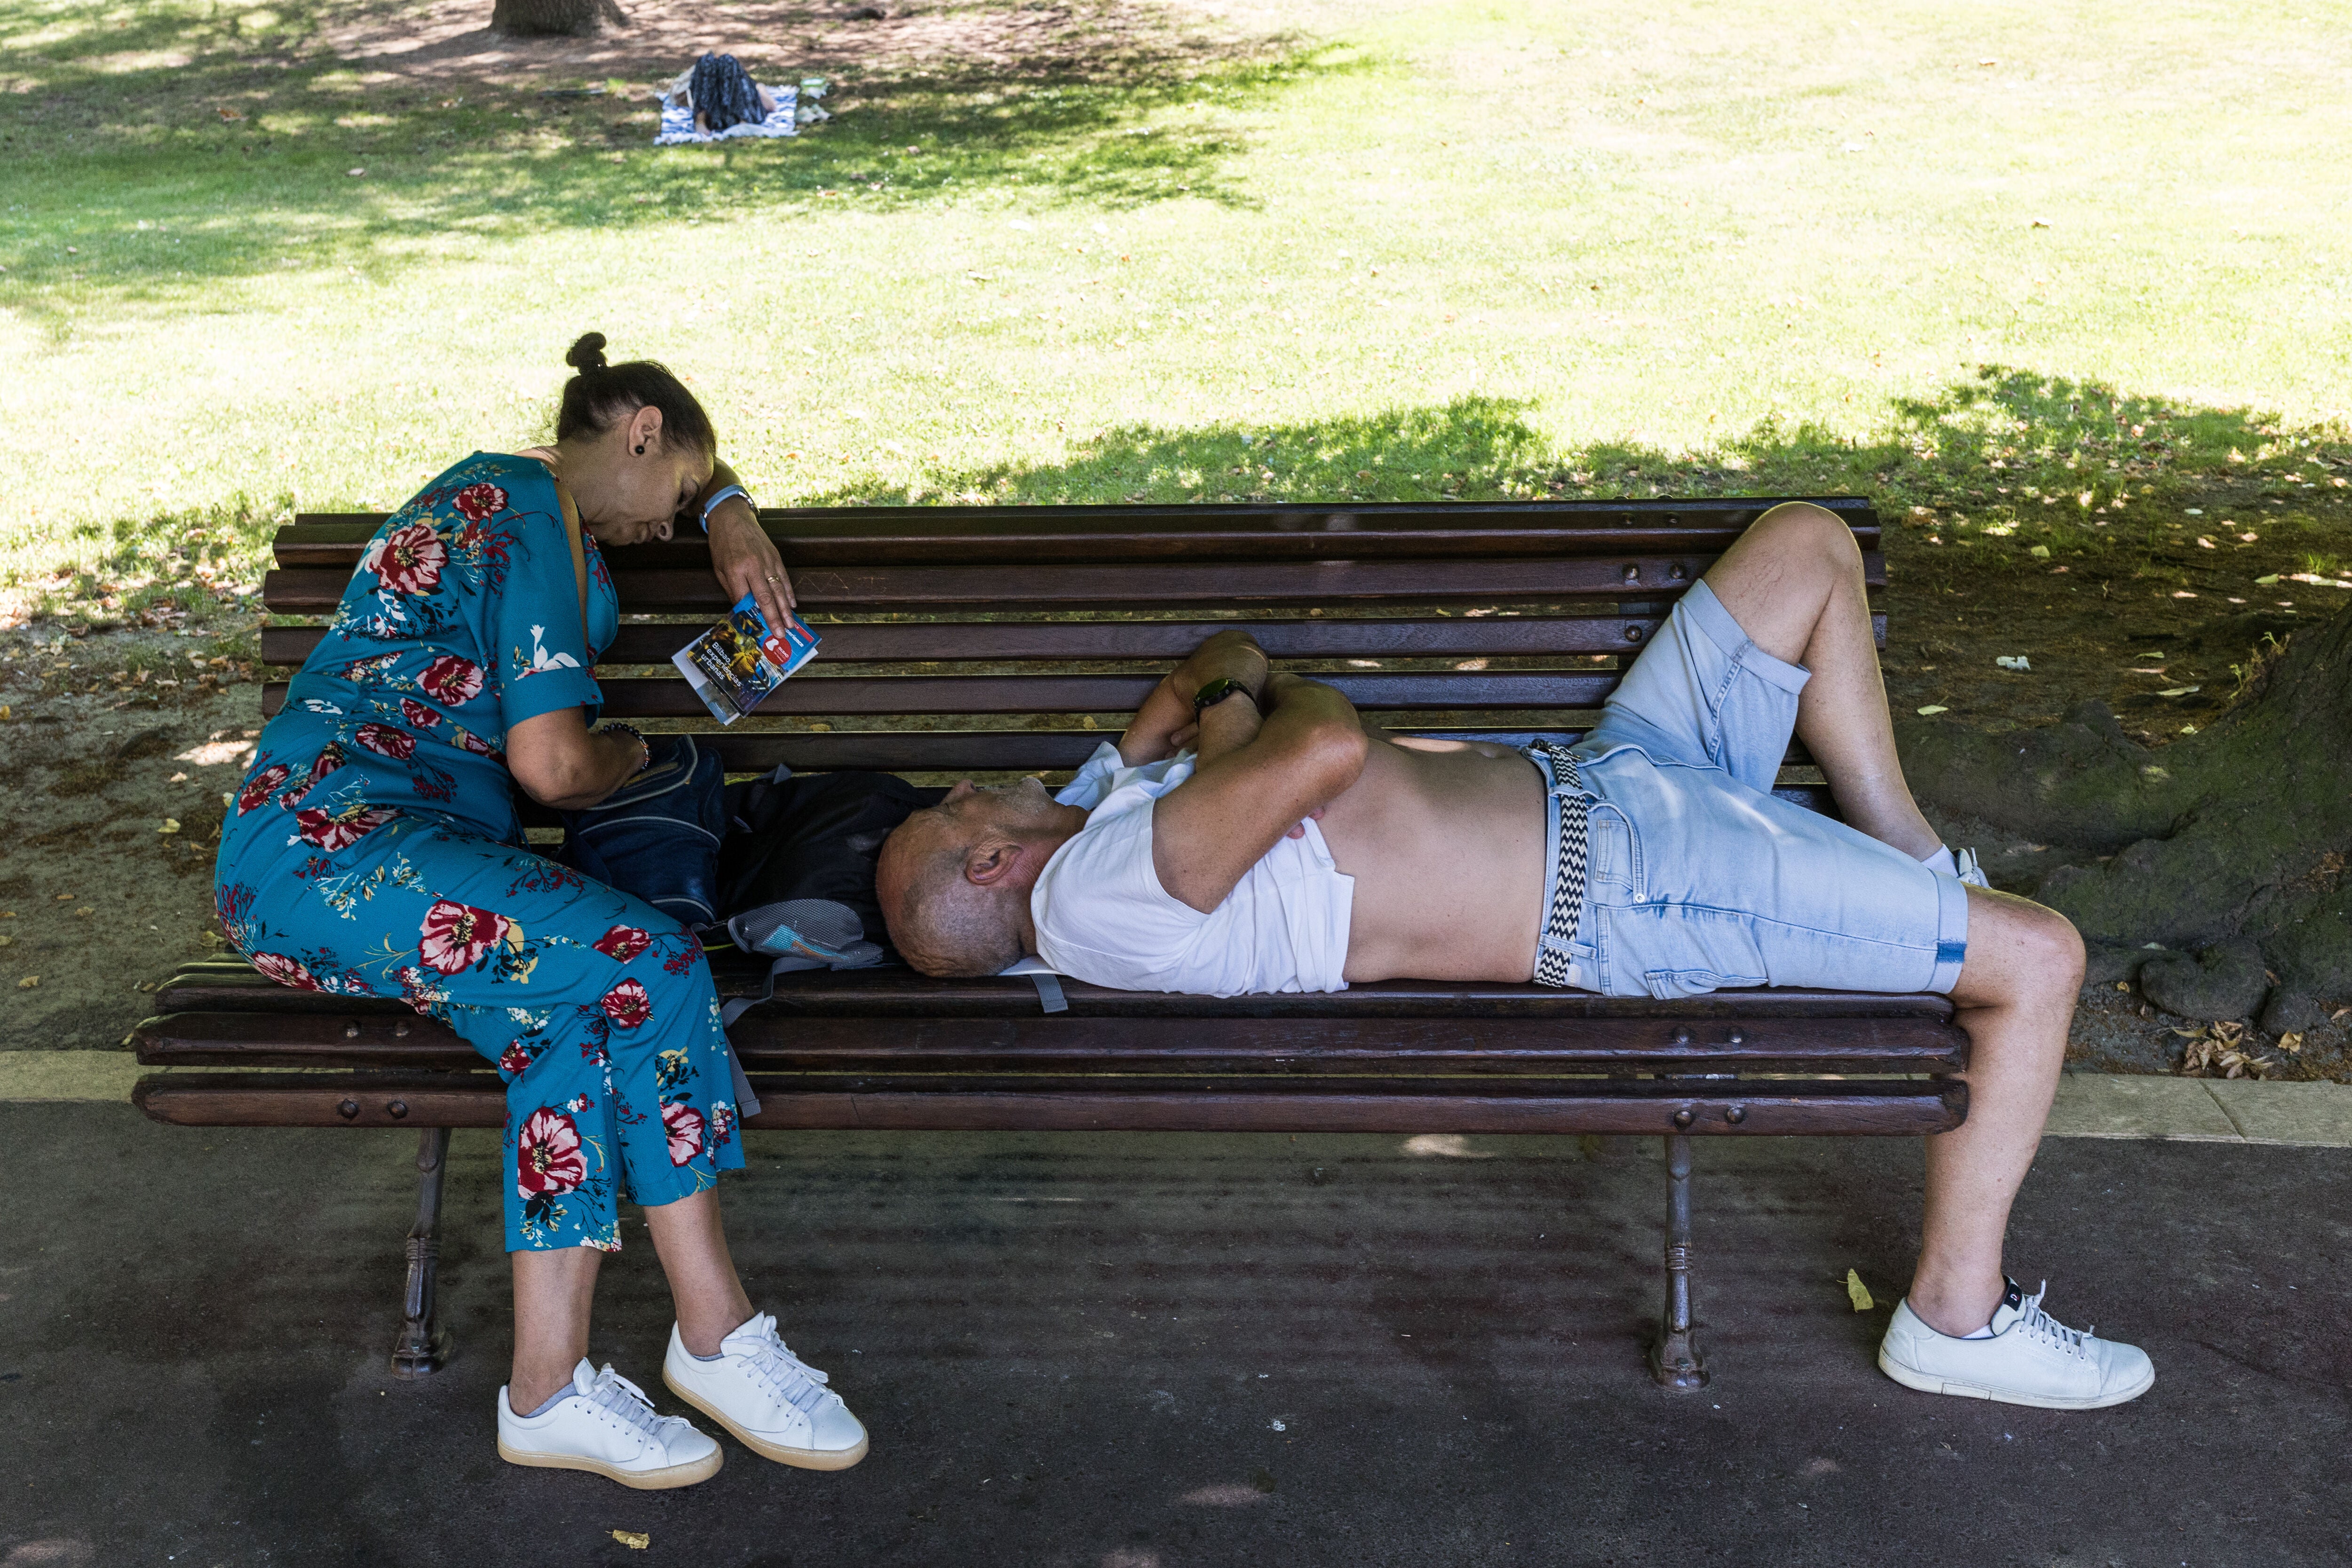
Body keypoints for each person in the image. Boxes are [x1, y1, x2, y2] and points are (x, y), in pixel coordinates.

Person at [876, 501, 2155, 1411]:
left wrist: (1204, 707)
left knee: (1806, 545)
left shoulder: (1111, 831)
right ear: (989, 865)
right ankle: (1954, 1313)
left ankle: (1915, 867)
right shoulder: (1096, 891)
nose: (965, 784)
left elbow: (1227, 668)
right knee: (2039, 958)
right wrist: (1253, 702)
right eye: (953, 806)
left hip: (1611, 780)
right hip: (1637, 884)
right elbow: (1320, 738)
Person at [216, 333, 867, 1488]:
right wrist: (638, 751)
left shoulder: (542, 510)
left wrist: (723, 501)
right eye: (669, 492)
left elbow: (669, 480)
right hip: (336, 845)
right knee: (654, 961)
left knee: (567, 1027)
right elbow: (556, 768)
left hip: (404, 861)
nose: (661, 528)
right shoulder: (520, 500)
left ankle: (547, 1389)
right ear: (637, 433)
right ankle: (717, 1331)